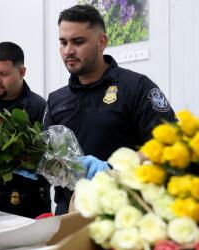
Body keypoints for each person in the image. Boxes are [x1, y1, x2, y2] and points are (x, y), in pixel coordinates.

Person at [44, 5, 176, 214]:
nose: (68, 50)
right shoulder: (56, 100)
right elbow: (49, 157)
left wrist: (115, 170)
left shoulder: (136, 87)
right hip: (71, 212)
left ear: (101, 42)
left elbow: (168, 142)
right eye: (63, 42)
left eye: (78, 42)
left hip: (125, 212)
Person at [0, 42, 50, 219]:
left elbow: (48, 159)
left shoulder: (39, 107)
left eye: (3, 74)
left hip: (30, 200)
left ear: (21, 72)